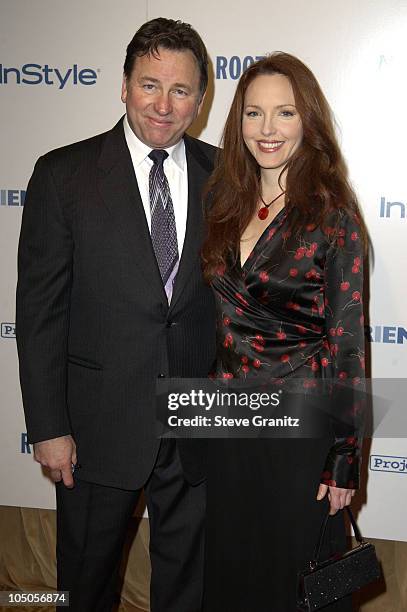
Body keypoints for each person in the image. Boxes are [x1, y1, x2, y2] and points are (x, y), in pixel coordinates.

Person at [16, 17, 216, 612]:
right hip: (97, 427)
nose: (163, 103)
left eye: (181, 90)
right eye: (150, 84)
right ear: (123, 85)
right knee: (84, 583)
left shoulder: (226, 174)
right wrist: (49, 426)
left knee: (189, 586)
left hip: (197, 425)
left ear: (200, 101)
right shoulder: (63, 175)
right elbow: (40, 314)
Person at [201, 53, 367, 611]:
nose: (267, 129)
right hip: (228, 426)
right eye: (254, 113)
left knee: (300, 584)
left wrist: (344, 456)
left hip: (301, 430)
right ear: (238, 121)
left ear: (308, 121)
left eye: (285, 113)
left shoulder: (333, 215)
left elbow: (348, 346)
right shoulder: (224, 203)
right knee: (232, 573)